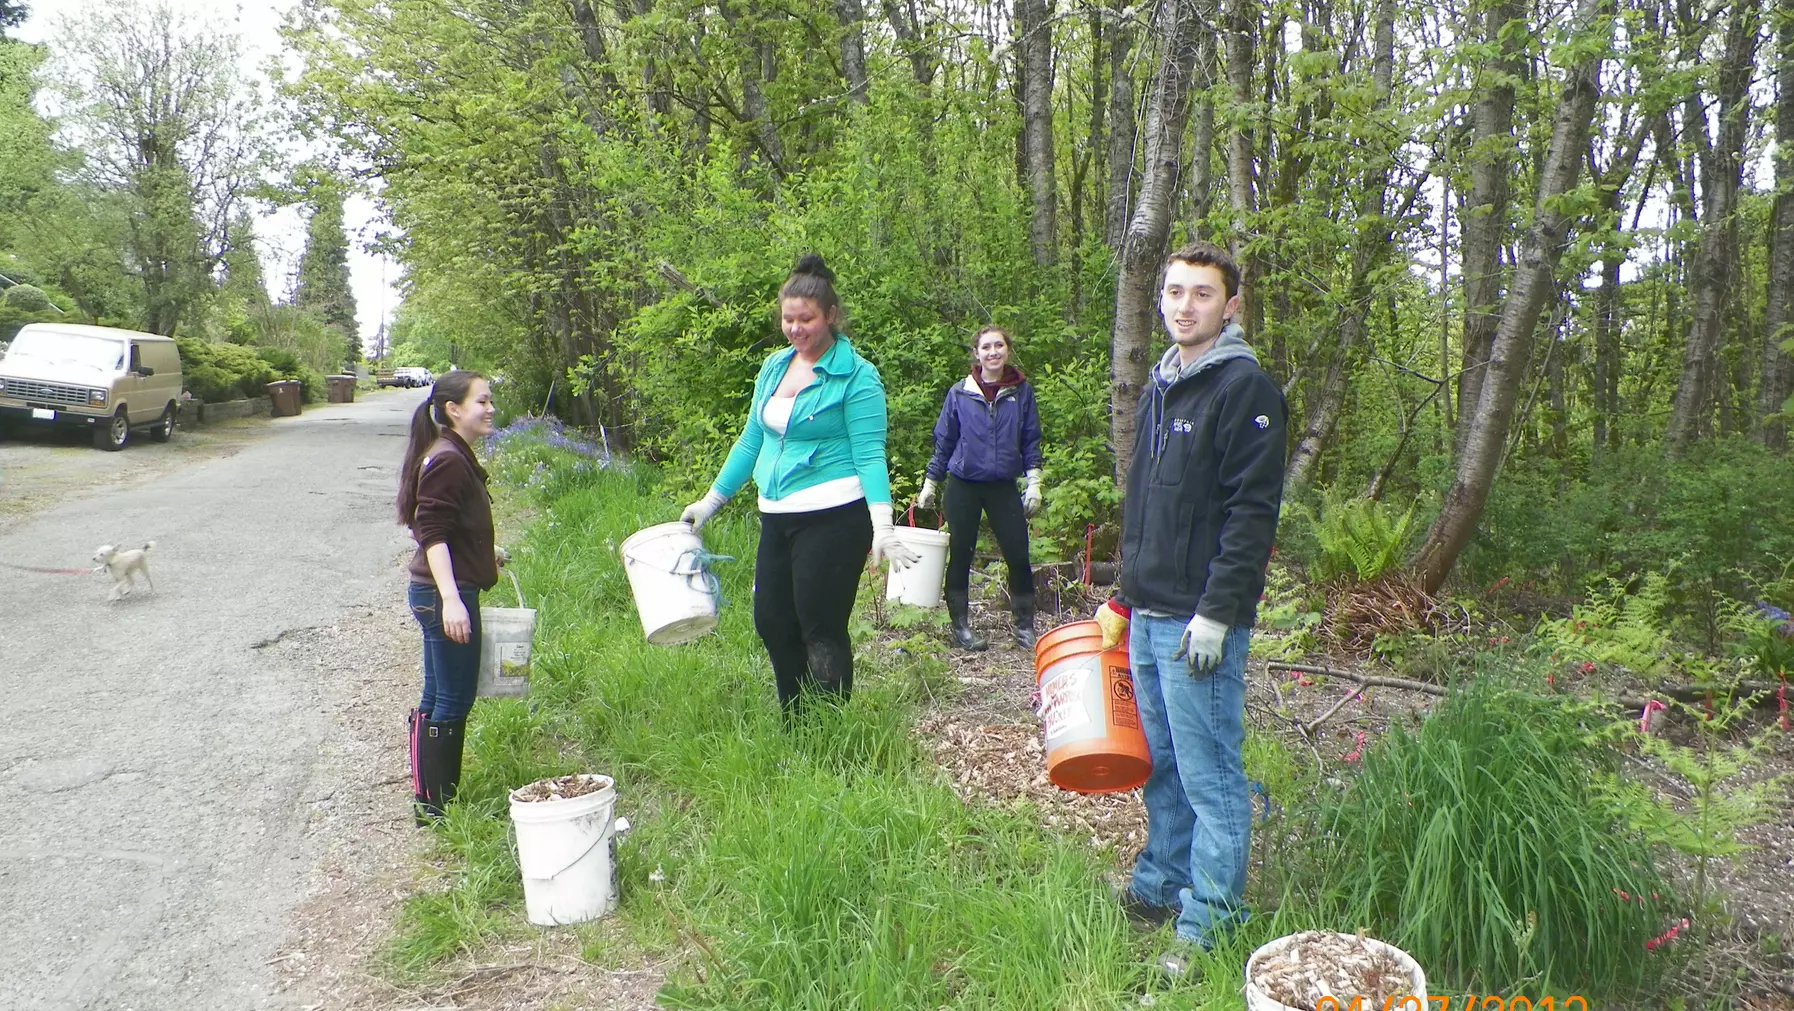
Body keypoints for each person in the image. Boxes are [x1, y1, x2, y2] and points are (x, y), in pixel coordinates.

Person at [1098, 241, 1287, 967]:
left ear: (1230, 305)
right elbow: (1146, 504)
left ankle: (1211, 919)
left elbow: (1251, 515)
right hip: (1148, 614)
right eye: (1174, 292)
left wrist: (1218, 610)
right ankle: (1161, 883)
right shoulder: (1162, 385)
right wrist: (1122, 594)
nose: (1184, 305)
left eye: (1201, 294)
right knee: (1164, 765)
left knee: (1210, 776)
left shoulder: (1244, 388)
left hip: (1198, 622)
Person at [680, 254, 918, 714]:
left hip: (835, 517)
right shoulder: (774, 368)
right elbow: (751, 440)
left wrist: (883, 525)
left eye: (805, 319)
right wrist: (711, 501)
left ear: (830, 316)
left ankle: (829, 725)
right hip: (776, 516)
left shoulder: (858, 376)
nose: (795, 328)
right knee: (771, 621)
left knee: (821, 626)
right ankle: (797, 717)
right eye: (788, 319)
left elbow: (869, 454)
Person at [397, 371, 501, 823]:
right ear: (454, 409)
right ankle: (436, 806)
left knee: (437, 694)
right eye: (482, 401)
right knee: (454, 698)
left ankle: (430, 798)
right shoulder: (447, 459)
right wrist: (452, 599)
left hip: (436, 590)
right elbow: (432, 533)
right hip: (443, 595)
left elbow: (449, 528)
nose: (491, 408)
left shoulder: (449, 452)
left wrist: (484, 552)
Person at [917, 325, 1044, 650]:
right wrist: (931, 482)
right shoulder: (960, 393)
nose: (993, 352)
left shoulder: (1021, 392)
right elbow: (944, 441)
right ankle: (960, 628)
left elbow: (1030, 438)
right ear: (977, 353)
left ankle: (1024, 626)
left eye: (998, 346)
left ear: (1007, 350)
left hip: (1003, 485)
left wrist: (1034, 483)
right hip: (963, 484)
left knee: (1017, 552)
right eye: (986, 347)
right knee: (961, 552)